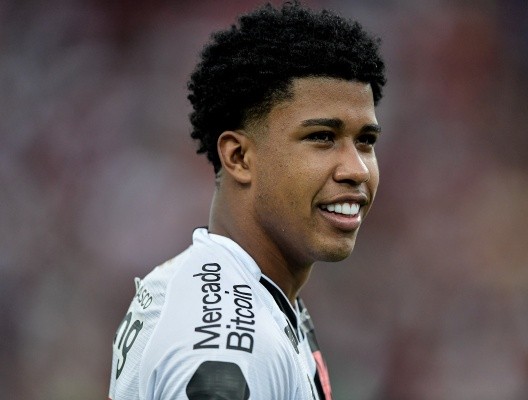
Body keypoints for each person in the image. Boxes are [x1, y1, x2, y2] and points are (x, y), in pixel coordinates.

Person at [108, 2, 386, 399]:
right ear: (238, 157)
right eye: (322, 137)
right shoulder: (231, 346)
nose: (357, 169)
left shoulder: (234, 292)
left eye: (366, 141)